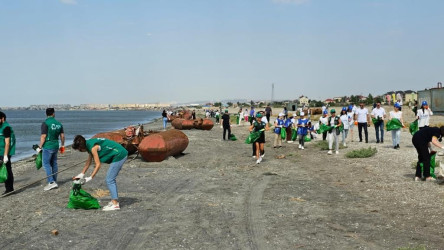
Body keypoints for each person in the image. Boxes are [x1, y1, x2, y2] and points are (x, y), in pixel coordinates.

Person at [72, 135, 128, 211]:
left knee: (110, 179)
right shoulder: (88, 143)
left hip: (120, 154)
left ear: (81, 148)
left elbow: (98, 165)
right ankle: (113, 201)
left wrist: (90, 177)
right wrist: (81, 174)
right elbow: (88, 162)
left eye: (79, 150)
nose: (80, 151)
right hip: (118, 153)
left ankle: (115, 204)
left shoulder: (93, 148)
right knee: (110, 179)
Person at [37, 108, 65, 191]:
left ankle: (51, 182)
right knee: (54, 163)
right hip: (56, 145)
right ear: (53, 114)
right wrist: (62, 145)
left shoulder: (45, 123)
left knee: (46, 164)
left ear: (46, 114)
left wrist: (40, 147)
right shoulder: (59, 124)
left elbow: (43, 136)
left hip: (48, 146)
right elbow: (62, 136)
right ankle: (54, 180)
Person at [0, 112, 15, 195]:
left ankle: (9, 189)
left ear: (2, 119)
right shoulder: (0, 127)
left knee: (7, 169)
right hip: (0, 151)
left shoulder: (6, 128)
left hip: (5, 152)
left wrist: (5, 155)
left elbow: (7, 143)